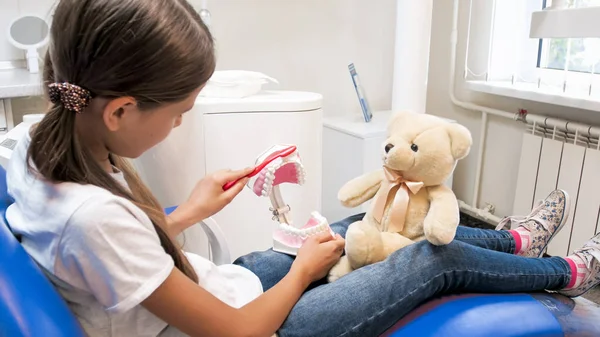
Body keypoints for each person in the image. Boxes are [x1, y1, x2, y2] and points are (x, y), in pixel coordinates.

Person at [4, 0, 599, 336]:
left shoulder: (36, 139)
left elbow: (113, 256)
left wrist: (189, 211)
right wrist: (298, 276)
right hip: (255, 327)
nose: (180, 124)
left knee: (359, 225)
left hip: (220, 285)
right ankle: (567, 271)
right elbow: (237, 334)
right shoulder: (88, 217)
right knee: (427, 256)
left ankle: (512, 239)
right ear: (120, 110)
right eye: (180, 113)